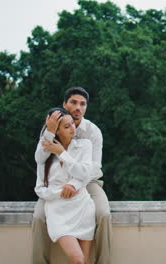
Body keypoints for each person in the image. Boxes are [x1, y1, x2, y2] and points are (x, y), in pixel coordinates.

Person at [32, 87, 112, 264]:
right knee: (38, 217)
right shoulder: (50, 127)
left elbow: (94, 168)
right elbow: (40, 159)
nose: (78, 107)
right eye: (73, 103)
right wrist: (51, 131)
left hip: (88, 181)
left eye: (82, 104)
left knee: (104, 214)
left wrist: (75, 184)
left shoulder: (92, 132)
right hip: (56, 184)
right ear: (64, 104)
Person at [35, 107, 95, 264]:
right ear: (57, 131)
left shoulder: (85, 145)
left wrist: (62, 153)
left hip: (82, 206)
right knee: (77, 259)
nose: (72, 129)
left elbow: (85, 173)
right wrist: (61, 192)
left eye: (72, 124)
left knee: (85, 261)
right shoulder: (45, 156)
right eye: (66, 127)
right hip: (58, 211)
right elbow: (39, 189)